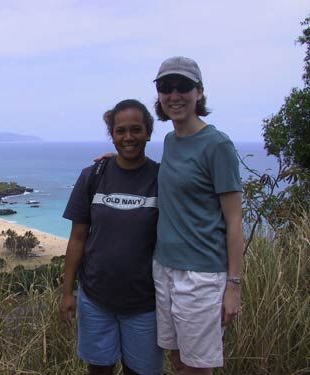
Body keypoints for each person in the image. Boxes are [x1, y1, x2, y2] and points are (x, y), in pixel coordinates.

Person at [152, 56, 244, 374]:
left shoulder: (217, 145)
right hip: (164, 267)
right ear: (159, 94)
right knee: (177, 359)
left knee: (196, 368)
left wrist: (233, 286)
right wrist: (116, 161)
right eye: (166, 87)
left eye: (183, 87)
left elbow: (234, 219)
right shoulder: (170, 140)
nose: (174, 95)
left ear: (199, 92)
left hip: (202, 276)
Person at [60, 99, 163, 375]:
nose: (128, 137)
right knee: (99, 370)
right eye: (120, 131)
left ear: (148, 133)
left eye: (136, 129)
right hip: (95, 299)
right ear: (112, 135)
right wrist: (67, 291)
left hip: (145, 303)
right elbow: (78, 237)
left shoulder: (162, 178)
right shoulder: (93, 175)